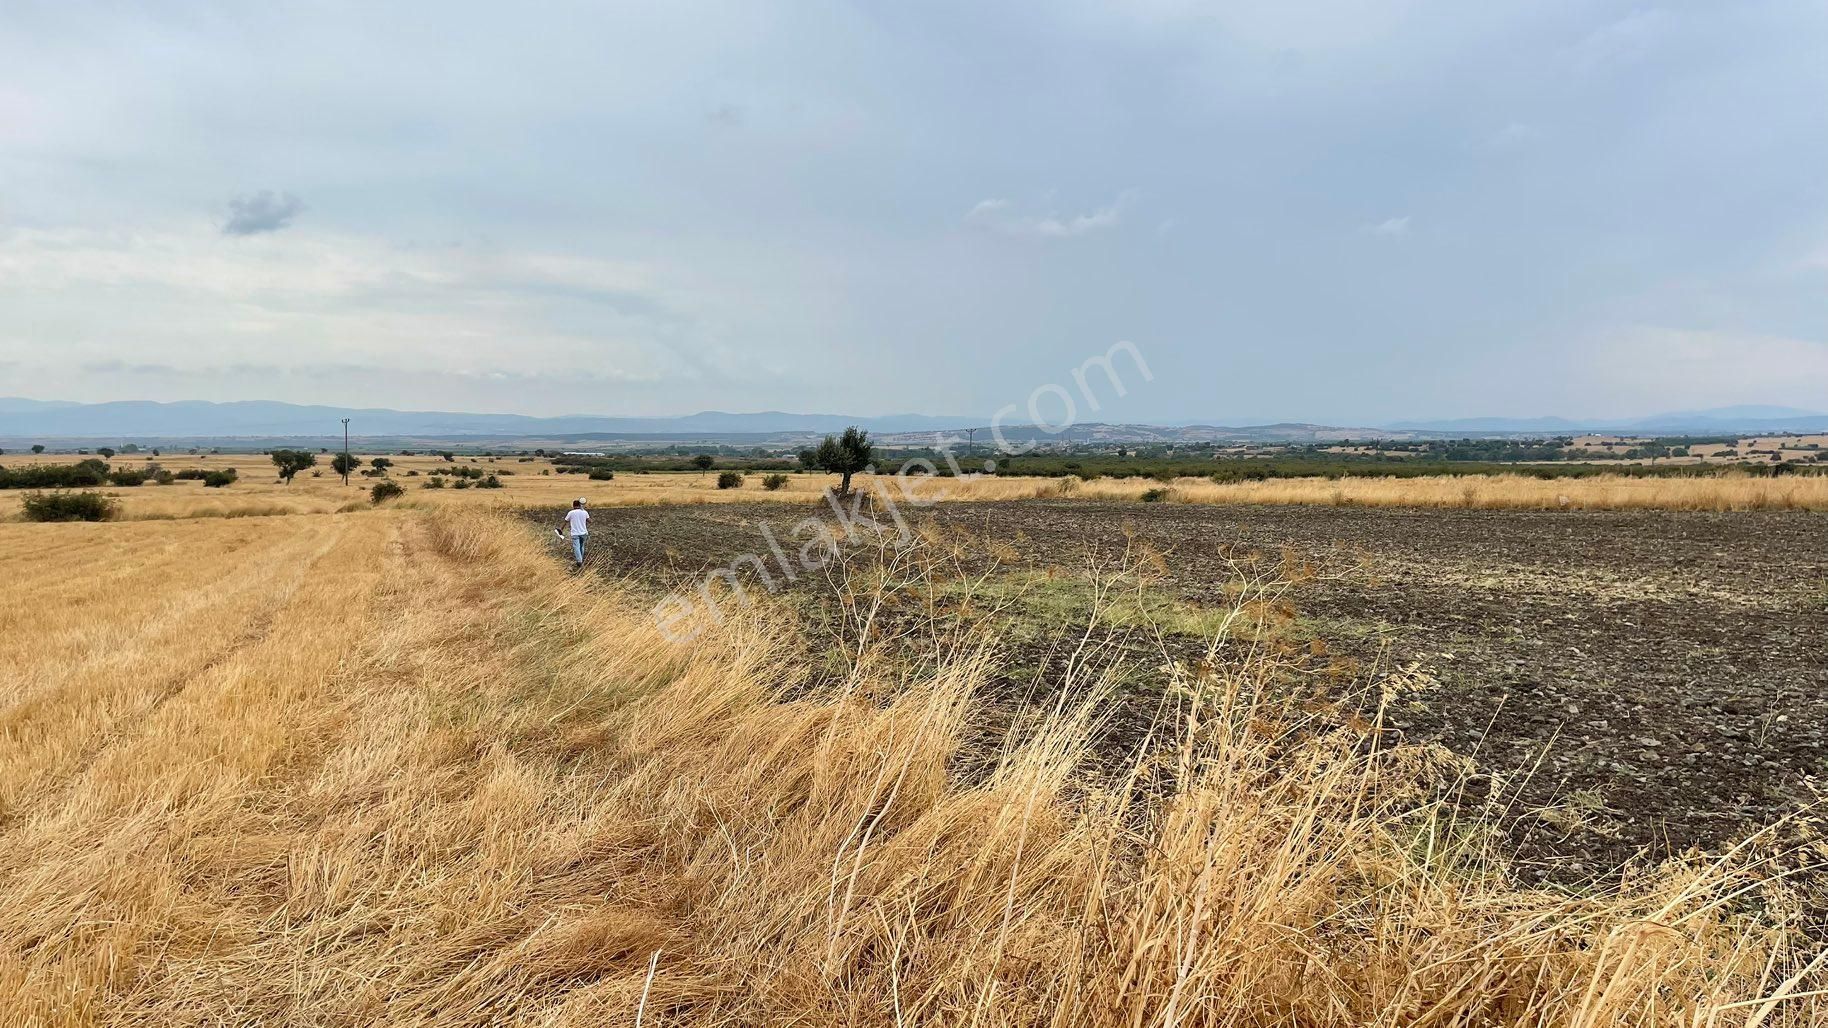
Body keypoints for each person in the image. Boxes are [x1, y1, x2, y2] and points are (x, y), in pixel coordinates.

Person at [561, 498, 590, 568]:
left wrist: (561, 529)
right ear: (580, 505)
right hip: (584, 533)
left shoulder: (571, 513)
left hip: (575, 533)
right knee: (581, 546)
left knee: (576, 547)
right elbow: (590, 521)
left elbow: (565, 521)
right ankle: (581, 560)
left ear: (573, 505)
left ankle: (579, 561)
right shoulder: (585, 512)